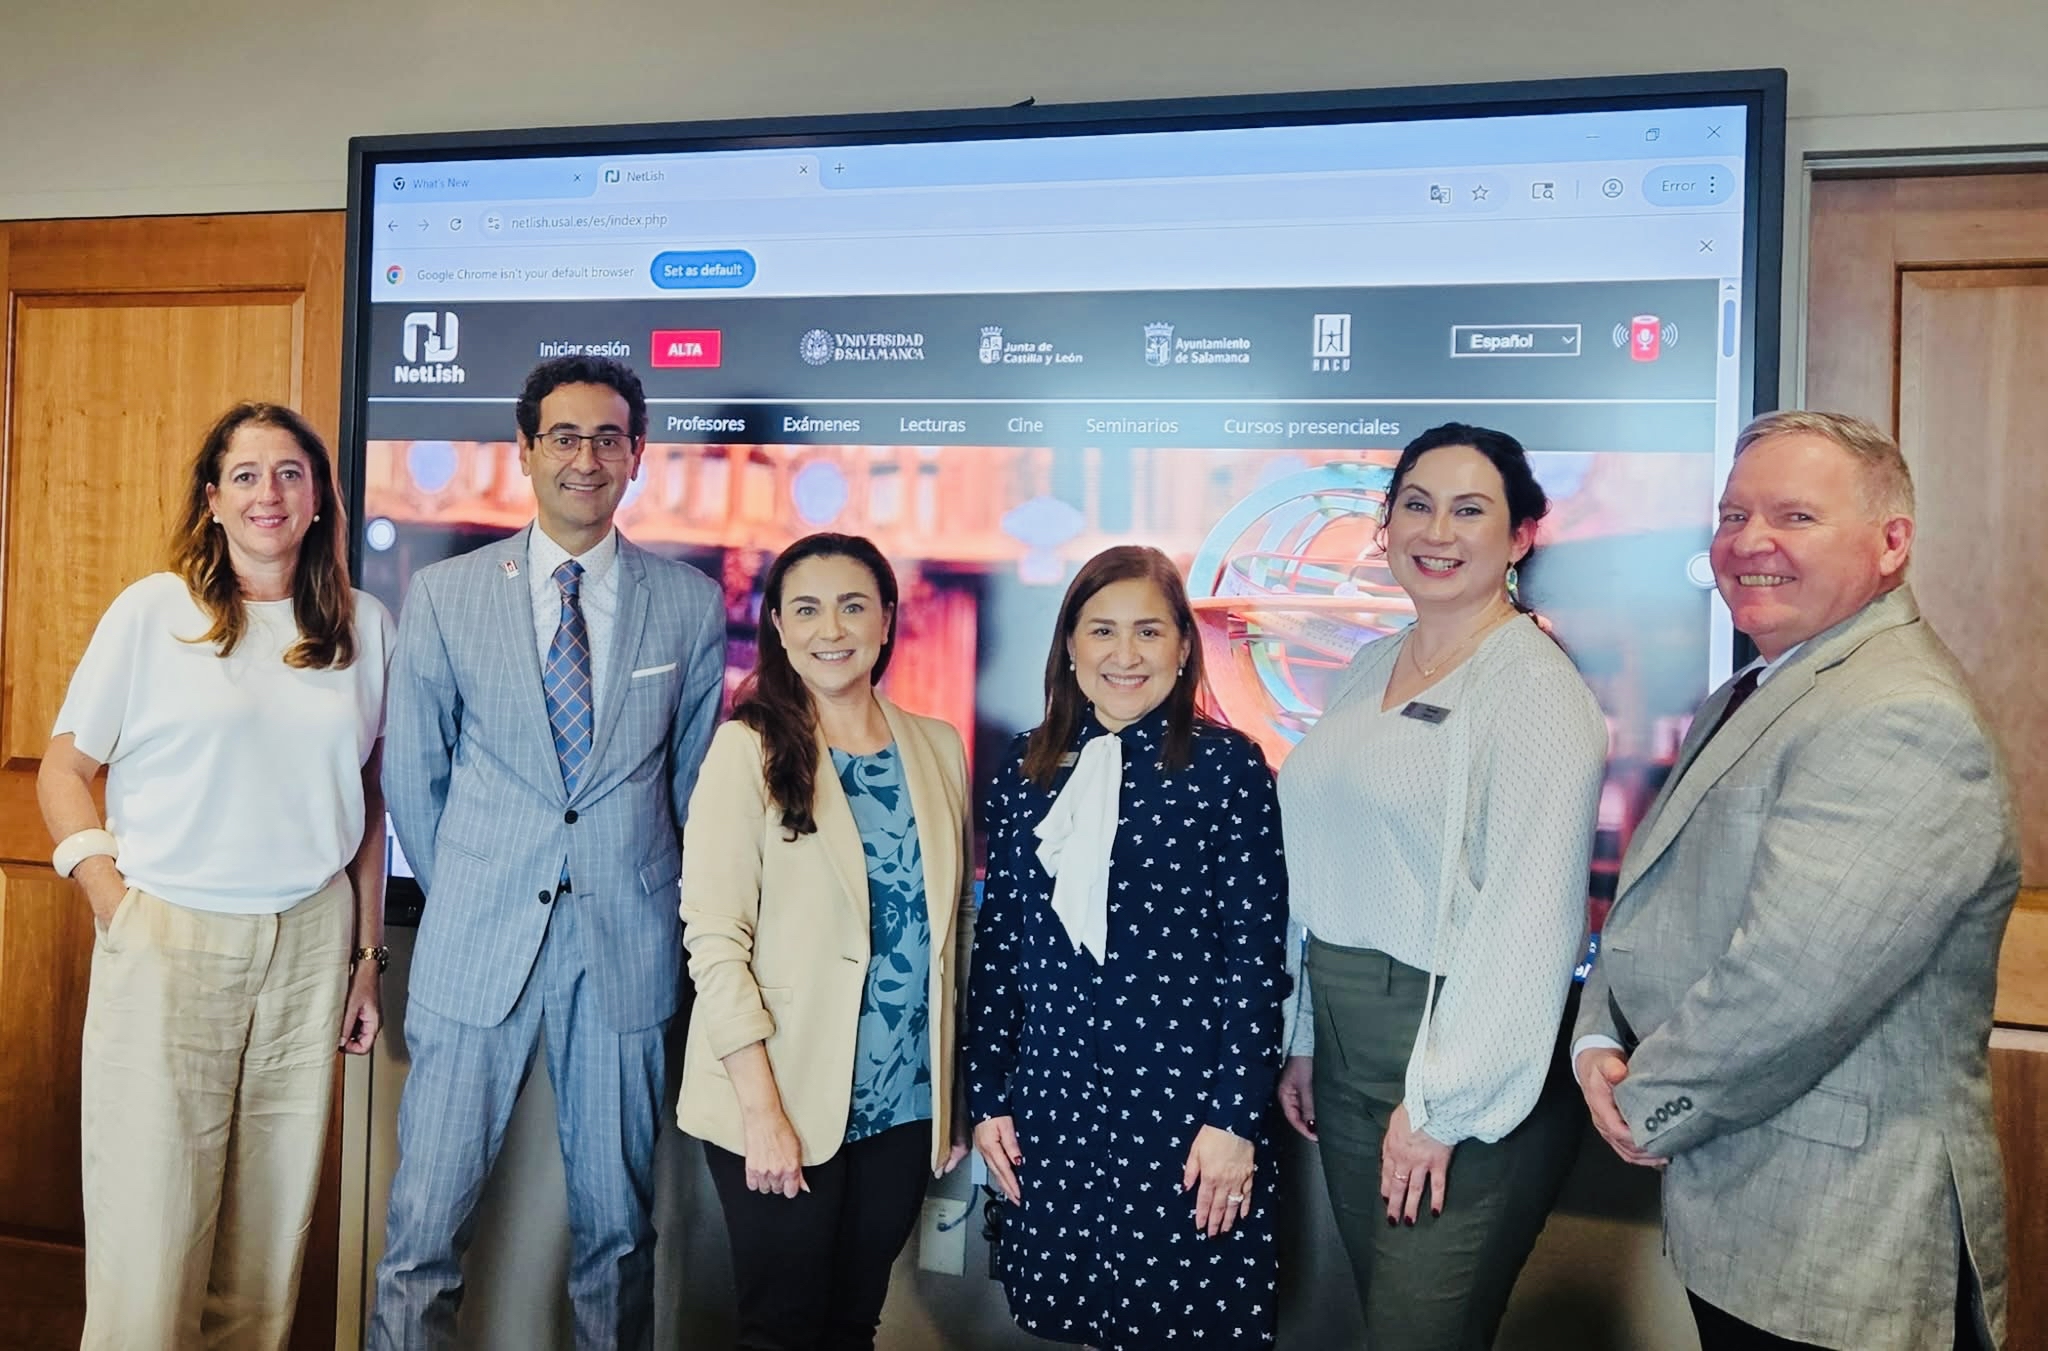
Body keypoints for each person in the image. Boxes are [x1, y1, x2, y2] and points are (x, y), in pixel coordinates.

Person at [1574, 410, 2019, 1351]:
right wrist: (1595, 1038)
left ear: (1892, 542)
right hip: (1750, 1223)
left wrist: (1642, 1101)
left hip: (1841, 1252)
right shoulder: (1756, 687)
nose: (1749, 542)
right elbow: (1652, 893)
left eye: (1795, 516)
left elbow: (1788, 984)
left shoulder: (1901, 715)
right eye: (1733, 515)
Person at [371, 355, 726, 1351]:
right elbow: (414, 776)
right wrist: (475, 886)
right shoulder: (445, 595)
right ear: (525, 451)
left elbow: (695, 788)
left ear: (637, 454)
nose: (586, 458)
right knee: (421, 1236)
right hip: (474, 944)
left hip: (624, 947)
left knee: (618, 1238)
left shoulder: (687, 604)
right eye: (564, 437)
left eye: (608, 438)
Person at [38, 402, 393, 1350]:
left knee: (266, 1249)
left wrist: (365, 958)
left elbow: (368, 799)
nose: (268, 493)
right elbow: (64, 770)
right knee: (151, 1240)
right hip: (170, 936)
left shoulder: (367, 628)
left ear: (318, 499)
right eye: (245, 474)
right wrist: (112, 898)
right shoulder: (155, 612)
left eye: (290, 473)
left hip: (309, 942)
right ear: (213, 498)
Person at [1271, 423, 1607, 1349]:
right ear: (1386, 525)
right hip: (1345, 1049)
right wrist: (1306, 1033)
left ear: (1521, 536)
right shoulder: (1368, 666)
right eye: (1416, 505)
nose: (1437, 531)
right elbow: (1321, 863)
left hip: (1462, 1059)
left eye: (1470, 509)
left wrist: (1442, 1106)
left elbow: (1530, 923)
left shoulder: (1535, 688)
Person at [964, 544, 1288, 1351]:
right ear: (1070, 647)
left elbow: (1255, 964)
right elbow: (1000, 950)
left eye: (1149, 630)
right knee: (1082, 1323)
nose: (1125, 653)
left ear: (1183, 647)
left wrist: (1234, 1120)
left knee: (1179, 1327)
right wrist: (987, 1096)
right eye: (1102, 629)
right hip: (1055, 1106)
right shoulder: (1025, 770)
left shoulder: (1228, 769)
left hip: (1185, 1112)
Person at [677, 532, 973, 1350]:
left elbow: (953, 932)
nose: (830, 629)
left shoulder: (937, 746)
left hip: (903, 1103)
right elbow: (715, 940)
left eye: (852, 606)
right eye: (805, 609)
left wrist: (950, 1093)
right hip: (781, 1092)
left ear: (887, 620)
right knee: (782, 1329)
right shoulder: (747, 748)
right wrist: (762, 1111)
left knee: (852, 1324)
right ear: (777, 625)